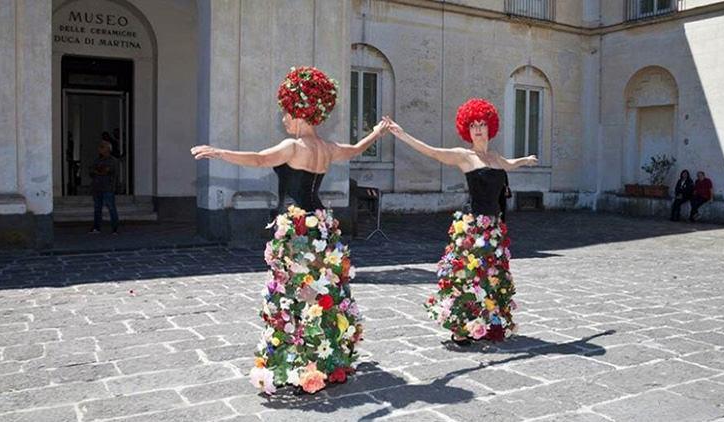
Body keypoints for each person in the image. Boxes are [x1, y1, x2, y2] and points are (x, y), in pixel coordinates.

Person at [191, 66, 387, 395]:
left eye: (285, 112)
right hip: (321, 225)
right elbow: (355, 150)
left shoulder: (293, 146)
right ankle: (327, 357)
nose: (283, 119)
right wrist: (376, 133)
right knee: (323, 290)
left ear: (298, 111)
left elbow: (256, 159)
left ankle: (300, 362)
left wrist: (219, 152)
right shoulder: (327, 147)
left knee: (297, 293)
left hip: (296, 227)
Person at [383, 98, 537, 346]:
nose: (478, 129)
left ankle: (489, 321)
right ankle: (462, 325)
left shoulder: (496, 158)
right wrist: (403, 136)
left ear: (490, 128)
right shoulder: (464, 156)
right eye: (473, 125)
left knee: (491, 275)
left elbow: (510, 164)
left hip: (493, 227)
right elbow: (433, 152)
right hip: (473, 226)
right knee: (468, 276)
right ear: (467, 129)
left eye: (482, 124)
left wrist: (525, 160)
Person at [89, 140, 119, 235]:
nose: (99, 149)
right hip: (97, 187)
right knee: (97, 208)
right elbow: (91, 171)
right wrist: (98, 171)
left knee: (111, 208)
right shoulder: (97, 160)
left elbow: (105, 171)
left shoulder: (113, 160)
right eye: (100, 147)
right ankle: (96, 228)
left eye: (102, 147)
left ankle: (115, 229)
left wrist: (97, 171)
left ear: (108, 149)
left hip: (108, 188)